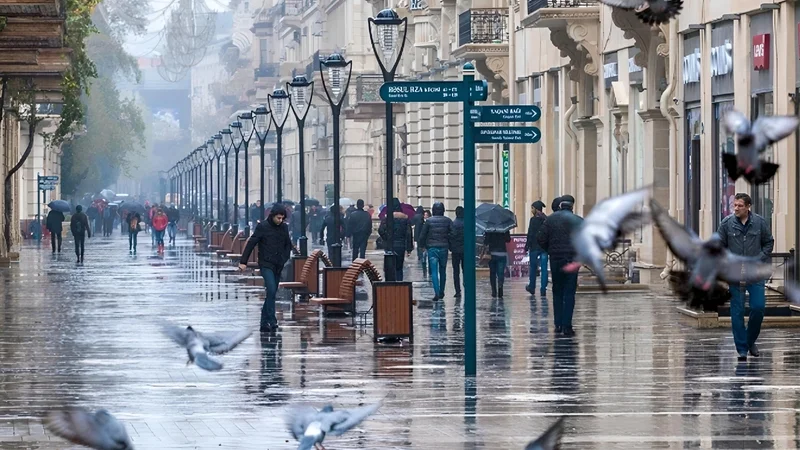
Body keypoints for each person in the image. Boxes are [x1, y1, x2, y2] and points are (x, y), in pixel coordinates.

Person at [717, 193, 774, 361]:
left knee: (758, 307)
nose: (735, 208)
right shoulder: (727, 224)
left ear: (748, 207)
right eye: (734, 205)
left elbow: (769, 242)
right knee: (737, 311)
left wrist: (759, 258)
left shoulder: (760, 223)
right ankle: (742, 349)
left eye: (739, 206)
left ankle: (749, 341)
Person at [239, 203, 292, 332]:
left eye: (282, 218)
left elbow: (288, 244)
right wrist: (243, 261)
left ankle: (264, 322)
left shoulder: (284, 228)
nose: (280, 221)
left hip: (278, 264)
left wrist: (284, 258)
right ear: (272, 215)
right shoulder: (263, 227)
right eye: (278, 218)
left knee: (271, 293)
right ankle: (272, 320)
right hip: (266, 263)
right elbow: (252, 243)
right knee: (272, 289)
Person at [538, 195, 583, 336]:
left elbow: (540, 238)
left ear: (560, 205)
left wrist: (550, 250)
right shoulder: (579, 221)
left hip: (556, 259)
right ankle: (567, 326)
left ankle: (558, 325)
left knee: (557, 291)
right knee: (569, 293)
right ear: (572, 206)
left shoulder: (550, 220)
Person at [419, 202, 452, 301]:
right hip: (444, 247)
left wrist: (422, 246)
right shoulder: (448, 221)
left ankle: (436, 292)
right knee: (443, 270)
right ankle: (442, 291)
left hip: (432, 248)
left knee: (434, 271)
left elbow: (423, 235)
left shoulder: (429, 221)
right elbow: (452, 233)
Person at [378, 198, 414, 281]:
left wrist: (386, 239)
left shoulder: (387, 218)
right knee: (399, 268)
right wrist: (409, 248)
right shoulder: (405, 218)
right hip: (401, 245)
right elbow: (408, 234)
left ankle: (390, 284)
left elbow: (381, 230)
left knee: (389, 267)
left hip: (389, 245)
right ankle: (399, 283)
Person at [525, 201, 549, 296]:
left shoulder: (533, 220)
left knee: (533, 268)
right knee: (544, 269)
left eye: (532, 208)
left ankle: (532, 287)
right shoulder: (546, 219)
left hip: (534, 247)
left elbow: (530, 233)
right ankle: (543, 289)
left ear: (535, 208)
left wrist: (527, 245)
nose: (531, 210)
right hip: (544, 248)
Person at [484, 228, 511, 299]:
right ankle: (500, 287)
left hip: (492, 253)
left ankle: (493, 291)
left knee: (492, 272)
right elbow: (508, 239)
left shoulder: (489, 228)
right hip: (502, 253)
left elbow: (486, 241)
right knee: (500, 272)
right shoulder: (504, 227)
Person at [449, 206, 465, 298]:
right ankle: (466, 286)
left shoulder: (453, 224)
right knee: (465, 270)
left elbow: (451, 237)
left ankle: (457, 290)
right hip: (465, 251)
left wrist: (451, 248)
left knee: (456, 271)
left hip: (455, 251)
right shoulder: (467, 223)